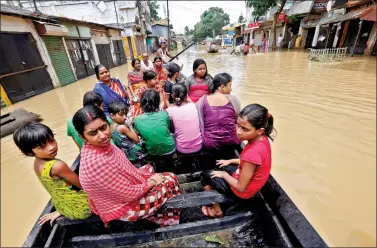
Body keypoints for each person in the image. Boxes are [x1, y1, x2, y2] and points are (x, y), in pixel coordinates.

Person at [73, 105, 180, 227]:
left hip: (115, 198)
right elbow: (127, 194)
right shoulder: (97, 161)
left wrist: (150, 180)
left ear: (108, 124)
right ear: (82, 136)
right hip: (125, 208)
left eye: (103, 128)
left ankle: (154, 211)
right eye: (93, 133)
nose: (102, 135)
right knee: (171, 179)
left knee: (149, 168)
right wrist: (151, 182)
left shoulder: (101, 147)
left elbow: (125, 171)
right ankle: (167, 220)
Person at [200, 104, 275, 218]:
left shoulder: (252, 153)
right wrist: (231, 161)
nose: (238, 131)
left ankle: (217, 210)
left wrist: (224, 175)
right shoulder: (263, 139)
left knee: (205, 175)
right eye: (238, 125)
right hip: (251, 185)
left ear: (259, 130)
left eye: (244, 129)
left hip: (243, 191)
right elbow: (251, 164)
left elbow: (241, 187)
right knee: (222, 166)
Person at [13, 123, 91, 225]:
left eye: (51, 140)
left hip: (64, 207)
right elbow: (82, 185)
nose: (51, 147)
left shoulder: (37, 164)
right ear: (29, 153)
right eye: (42, 146)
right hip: (83, 208)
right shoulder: (57, 166)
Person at [196, 73, 241, 163]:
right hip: (230, 143)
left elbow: (200, 124)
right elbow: (238, 121)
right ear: (222, 87)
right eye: (230, 85)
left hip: (209, 145)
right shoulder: (234, 100)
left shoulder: (201, 101)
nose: (231, 89)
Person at [134, 90, 176, 172]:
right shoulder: (164, 114)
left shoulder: (137, 119)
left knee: (156, 159)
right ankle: (170, 170)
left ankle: (158, 169)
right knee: (169, 162)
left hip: (153, 151)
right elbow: (169, 129)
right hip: (169, 148)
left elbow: (142, 135)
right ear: (157, 102)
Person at [166, 83, 204, 174]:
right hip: (199, 146)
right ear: (186, 95)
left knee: (172, 133)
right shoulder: (194, 106)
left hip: (182, 149)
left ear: (172, 96)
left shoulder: (169, 110)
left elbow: (172, 129)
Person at [108, 101, 147, 166]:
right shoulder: (122, 127)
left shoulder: (111, 126)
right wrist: (129, 126)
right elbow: (136, 139)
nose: (125, 117)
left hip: (127, 155)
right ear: (112, 116)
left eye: (125, 114)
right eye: (121, 115)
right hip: (136, 153)